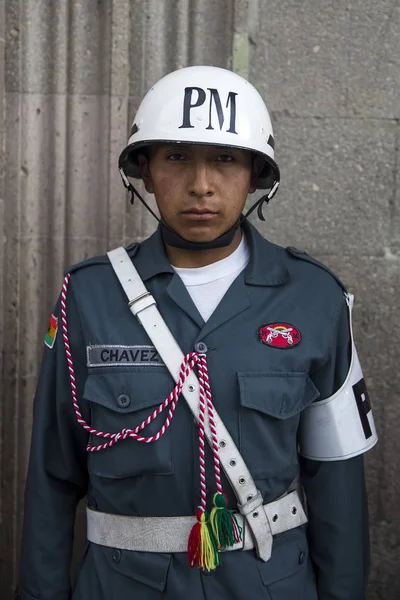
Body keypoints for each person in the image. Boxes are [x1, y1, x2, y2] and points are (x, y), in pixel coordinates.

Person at [17, 66, 377, 600]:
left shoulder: (315, 299)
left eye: (225, 160)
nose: (201, 185)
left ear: (257, 174)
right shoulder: (88, 296)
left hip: (269, 585)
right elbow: (52, 476)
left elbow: (339, 485)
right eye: (177, 157)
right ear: (145, 170)